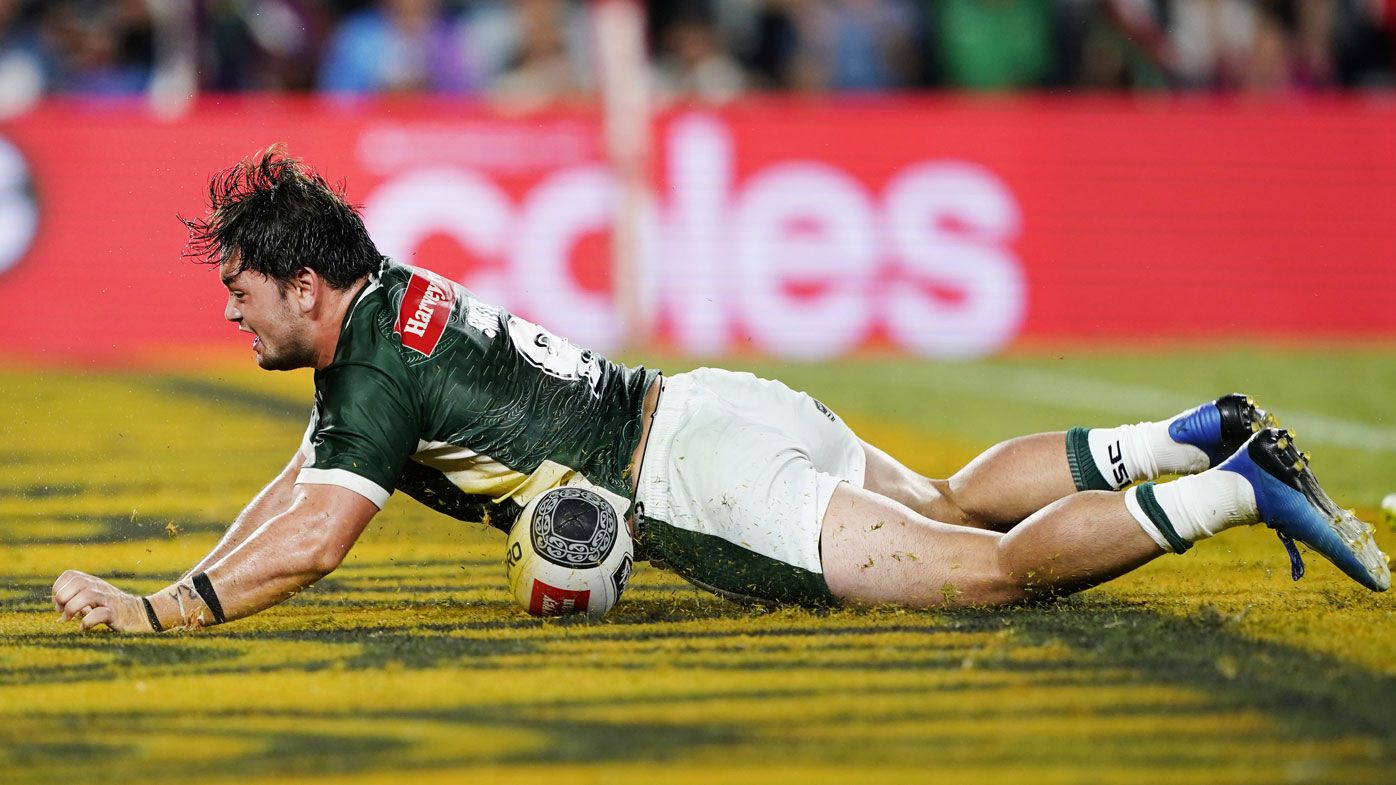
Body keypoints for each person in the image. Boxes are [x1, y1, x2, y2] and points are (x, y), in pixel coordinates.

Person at [51, 148, 1389, 633]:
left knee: (983, 576)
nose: (227, 307)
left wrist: (174, 610)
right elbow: (304, 478)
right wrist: (186, 578)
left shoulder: (373, 372)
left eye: (239, 284)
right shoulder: (387, 297)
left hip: (694, 479)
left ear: (302, 285)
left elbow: (323, 531)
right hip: (714, 402)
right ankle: (1191, 428)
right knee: (943, 497)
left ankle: (1229, 484)